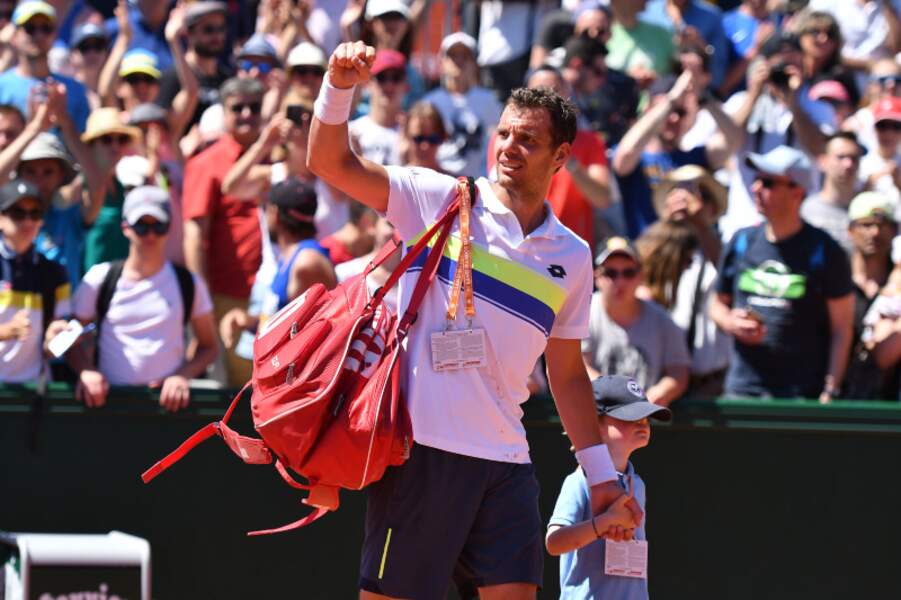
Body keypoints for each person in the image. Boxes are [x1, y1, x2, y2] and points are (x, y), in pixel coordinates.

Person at [308, 40, 640, 599]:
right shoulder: (436, 198)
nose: (509, 147)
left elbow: (567, 375)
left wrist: (602, 478)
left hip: (507, 462)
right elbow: (329, 162)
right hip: (422, 455)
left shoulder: (575, 256)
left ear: (560, 158)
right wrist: (339, 86)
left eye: (528, 140)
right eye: (505, 133)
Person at [711, 145, 854, 402]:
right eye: (756, 180)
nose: (756, 189)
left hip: (800, 396)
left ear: (797, 191)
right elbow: (716, 303)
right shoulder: (741, 241)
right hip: (743, 390)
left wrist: (830, 389)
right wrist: (730, 322)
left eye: (767, 183)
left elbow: (842, 328)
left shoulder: (825, 250)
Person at [67, 185, 217, 410]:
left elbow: (209, 347)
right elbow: (70, 341)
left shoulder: (189, 282)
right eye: (142, 226)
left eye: (159, 226)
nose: (151, 235)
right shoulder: (100, 278)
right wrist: (86, 372)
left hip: (167, 409)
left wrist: (182, 376)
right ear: (125, 227)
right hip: (108, 405)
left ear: (169, 228)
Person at [547, 374, 671, 600]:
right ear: (594, 424)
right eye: (629, 417)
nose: (643, 422)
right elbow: (554, 543)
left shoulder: (638, 484)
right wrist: (602, 523)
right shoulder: (578, 481)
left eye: (646, 417)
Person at [183, 77, 264, 388]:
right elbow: (194, 236)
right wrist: (200, 300)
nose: (246, 114)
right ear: (224, 112)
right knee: (235, 391)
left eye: (253, 108)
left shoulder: (275, 156)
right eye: (237, 108)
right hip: (226, 295)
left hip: (271, 296)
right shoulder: (207, 162)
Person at [717, 32, 836, 242]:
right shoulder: (740, 102)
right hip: (746, 216)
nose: (785, 74)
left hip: (799, 219)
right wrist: (754, 92)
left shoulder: (819, 109)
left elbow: (819, 150)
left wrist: (793, 104)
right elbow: (726, 143)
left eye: (794, 65)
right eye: (780, 66)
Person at [488, 64, 611, 251]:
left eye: (553, 90)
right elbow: (503, 190)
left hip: (566, 253)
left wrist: (563, 156)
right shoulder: (504, 140)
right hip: (514, 244)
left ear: (567, 94)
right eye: (538, 91)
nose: (546, 98)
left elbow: (602, 198)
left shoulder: (591, 142)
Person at [612, 68, 741, 239]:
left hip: (690, 258)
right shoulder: (637, 158)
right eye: (667, 112)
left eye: (681, 112)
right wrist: (671, 100)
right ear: (649, 110)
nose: (674, 119)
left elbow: (734, 140)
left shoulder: (695, 158)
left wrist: (705, 99)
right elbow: (624, 157)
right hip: (646, 256)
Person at [219, 178, 336, 359]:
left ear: (274, 213)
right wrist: (248, 320)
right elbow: (285, 322)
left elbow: (313, 334)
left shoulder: (307, 263)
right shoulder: (291, 257)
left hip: (296, 381)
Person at [640, 165, 731, 396]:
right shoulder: (652, 246)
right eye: (676, 191)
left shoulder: (725, 246)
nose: (684, 200)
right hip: (659, 382)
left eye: (694, 192)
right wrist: (670, 226)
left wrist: (700, 224)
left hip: (710, 384)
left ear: (711, 206)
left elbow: (729, 273)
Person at [583, 237, 691, 406]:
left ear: (640, 276)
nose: (620, 282)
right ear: (596, 276)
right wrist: (616, 396)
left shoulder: (663, 321)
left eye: (628, 273)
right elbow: (577, 367)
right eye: (611, 273)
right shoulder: (583, 313)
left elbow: (678, 371)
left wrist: (662, 391)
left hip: (643, 418)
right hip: (596, 414)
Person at [0, 178, 70, 383]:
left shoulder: (55, 272)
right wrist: (6, 331)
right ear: (1, 218)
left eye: (35, 214)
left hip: (34, 394)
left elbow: (52, 350)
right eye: (18, 213)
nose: (28, 221)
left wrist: (56, 340)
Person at [0, 0, 91, 133]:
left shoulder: (74, 90)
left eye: (46, 28)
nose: (39, 35)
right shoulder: (2, 87)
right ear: (14, 36)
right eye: (30, 28)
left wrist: (63, 119)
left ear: (54, 35)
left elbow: (88, 152)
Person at [842, 192, 898, 400]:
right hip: (838, 398)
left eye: (883, 225)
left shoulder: (898, 284)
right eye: (865, 225)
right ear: (850, 230)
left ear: (895, 231)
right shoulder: (836, 281)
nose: (875, 233)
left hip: (890, 402)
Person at [423, 32, 503, 178]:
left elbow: (497, 139)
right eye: (453, 56)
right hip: (439, 179)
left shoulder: (488, 100)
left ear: (474, 63)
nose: (459, 61)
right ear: (442, 61)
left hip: (478, 181)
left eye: (465, 56)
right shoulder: (430, 102)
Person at [155, 1, 231, 140]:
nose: (217, 36)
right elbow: (166, 131)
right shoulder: (172, 77)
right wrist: (174, 40)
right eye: (209, 29)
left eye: (221, 29)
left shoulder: (227, 78)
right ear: (189, 33)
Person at [560, 35, 640, 147]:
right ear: (576, 65)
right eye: (599, 72)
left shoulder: (578, 97)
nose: (603, 80)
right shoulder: (552, 92)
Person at [800, 132, 866, 254]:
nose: (848, 164)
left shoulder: (868, 208)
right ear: (822, 162)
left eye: (854, 158)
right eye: (841, 157)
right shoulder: (806, 210)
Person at [348, 48, 406, 166]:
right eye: (382, 77)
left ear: (405, 85)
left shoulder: (416, 135)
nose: (389, 84)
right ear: (367, 83)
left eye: (396, 77)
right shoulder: (351, 132)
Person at [859, 96, 901, 207]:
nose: (889, 133)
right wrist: (870, 181)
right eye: (882, 126)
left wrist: (898, 182)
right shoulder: (861, 164)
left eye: (896, 127)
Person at [397, 100, 447, 171]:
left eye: (433, 139)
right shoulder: (394, 180)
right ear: (406, 136)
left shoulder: (457, 181)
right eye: (418, 139)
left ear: (442, 137)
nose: (425, 146)